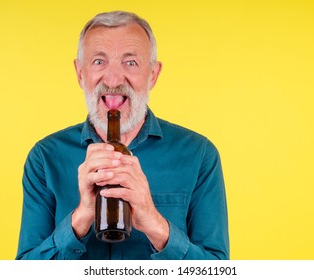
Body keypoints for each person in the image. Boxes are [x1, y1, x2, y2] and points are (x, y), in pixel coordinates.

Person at [16, 11, 229, 260]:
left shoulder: (199, 155)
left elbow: (217, 270)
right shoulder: (45, 158)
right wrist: (82, 215)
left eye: (130, 63)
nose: (114, 79)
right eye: (98, 61)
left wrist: (153, 222)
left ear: (153, 74)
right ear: (80, 73)